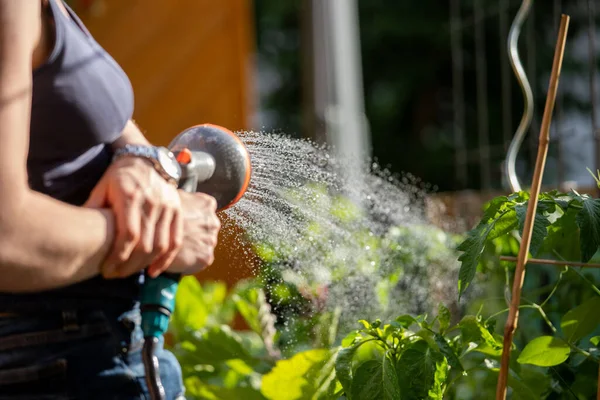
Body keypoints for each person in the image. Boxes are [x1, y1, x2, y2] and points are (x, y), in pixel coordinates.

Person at [0, 0, 222, 398]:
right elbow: (6, 237)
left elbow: (89, 115)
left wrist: (137, 158)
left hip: (91, 347)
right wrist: (162, 231)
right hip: (62, 358)